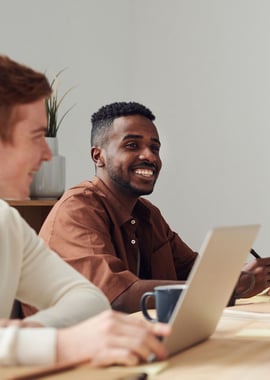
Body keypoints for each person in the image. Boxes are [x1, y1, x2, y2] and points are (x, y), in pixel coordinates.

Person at [36, 101, 270, 313]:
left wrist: (258, 275)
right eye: (132, 145)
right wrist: (233, 284)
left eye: (154, 147)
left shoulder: (146, 213)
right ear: (98, 156)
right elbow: (117, 297)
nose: (150, 156)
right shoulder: (77, 209)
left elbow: (193, 271)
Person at [0, 55, 170, 367]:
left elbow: (90, 300)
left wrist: (25, 336)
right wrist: (56, 344)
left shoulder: (7, 223)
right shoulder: (77, 206)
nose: (47, 155)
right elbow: (111, 299)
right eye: (38, 136)